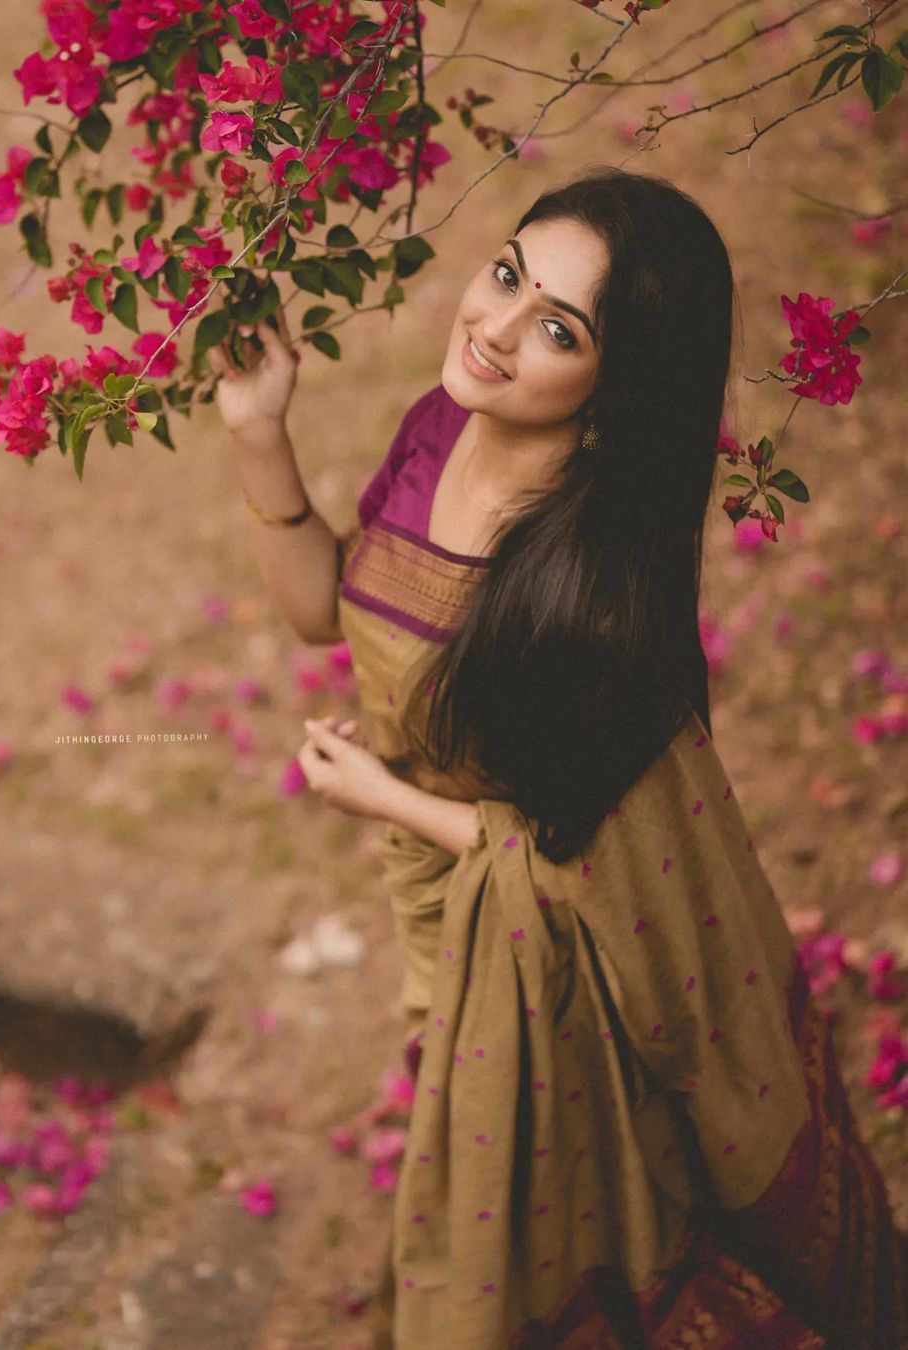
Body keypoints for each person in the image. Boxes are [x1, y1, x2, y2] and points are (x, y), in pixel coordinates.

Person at [211, 166, 908, 1348]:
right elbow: (330, 609)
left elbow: (578, 872)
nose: (492, 327)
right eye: (506, 276)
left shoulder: (586, 599)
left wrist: (383, 797)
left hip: (556, 966)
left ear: (612, 384)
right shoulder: (441, 429)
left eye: (555, 327)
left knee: (596, 1209)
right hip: (447, 913)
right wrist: (260, 431)